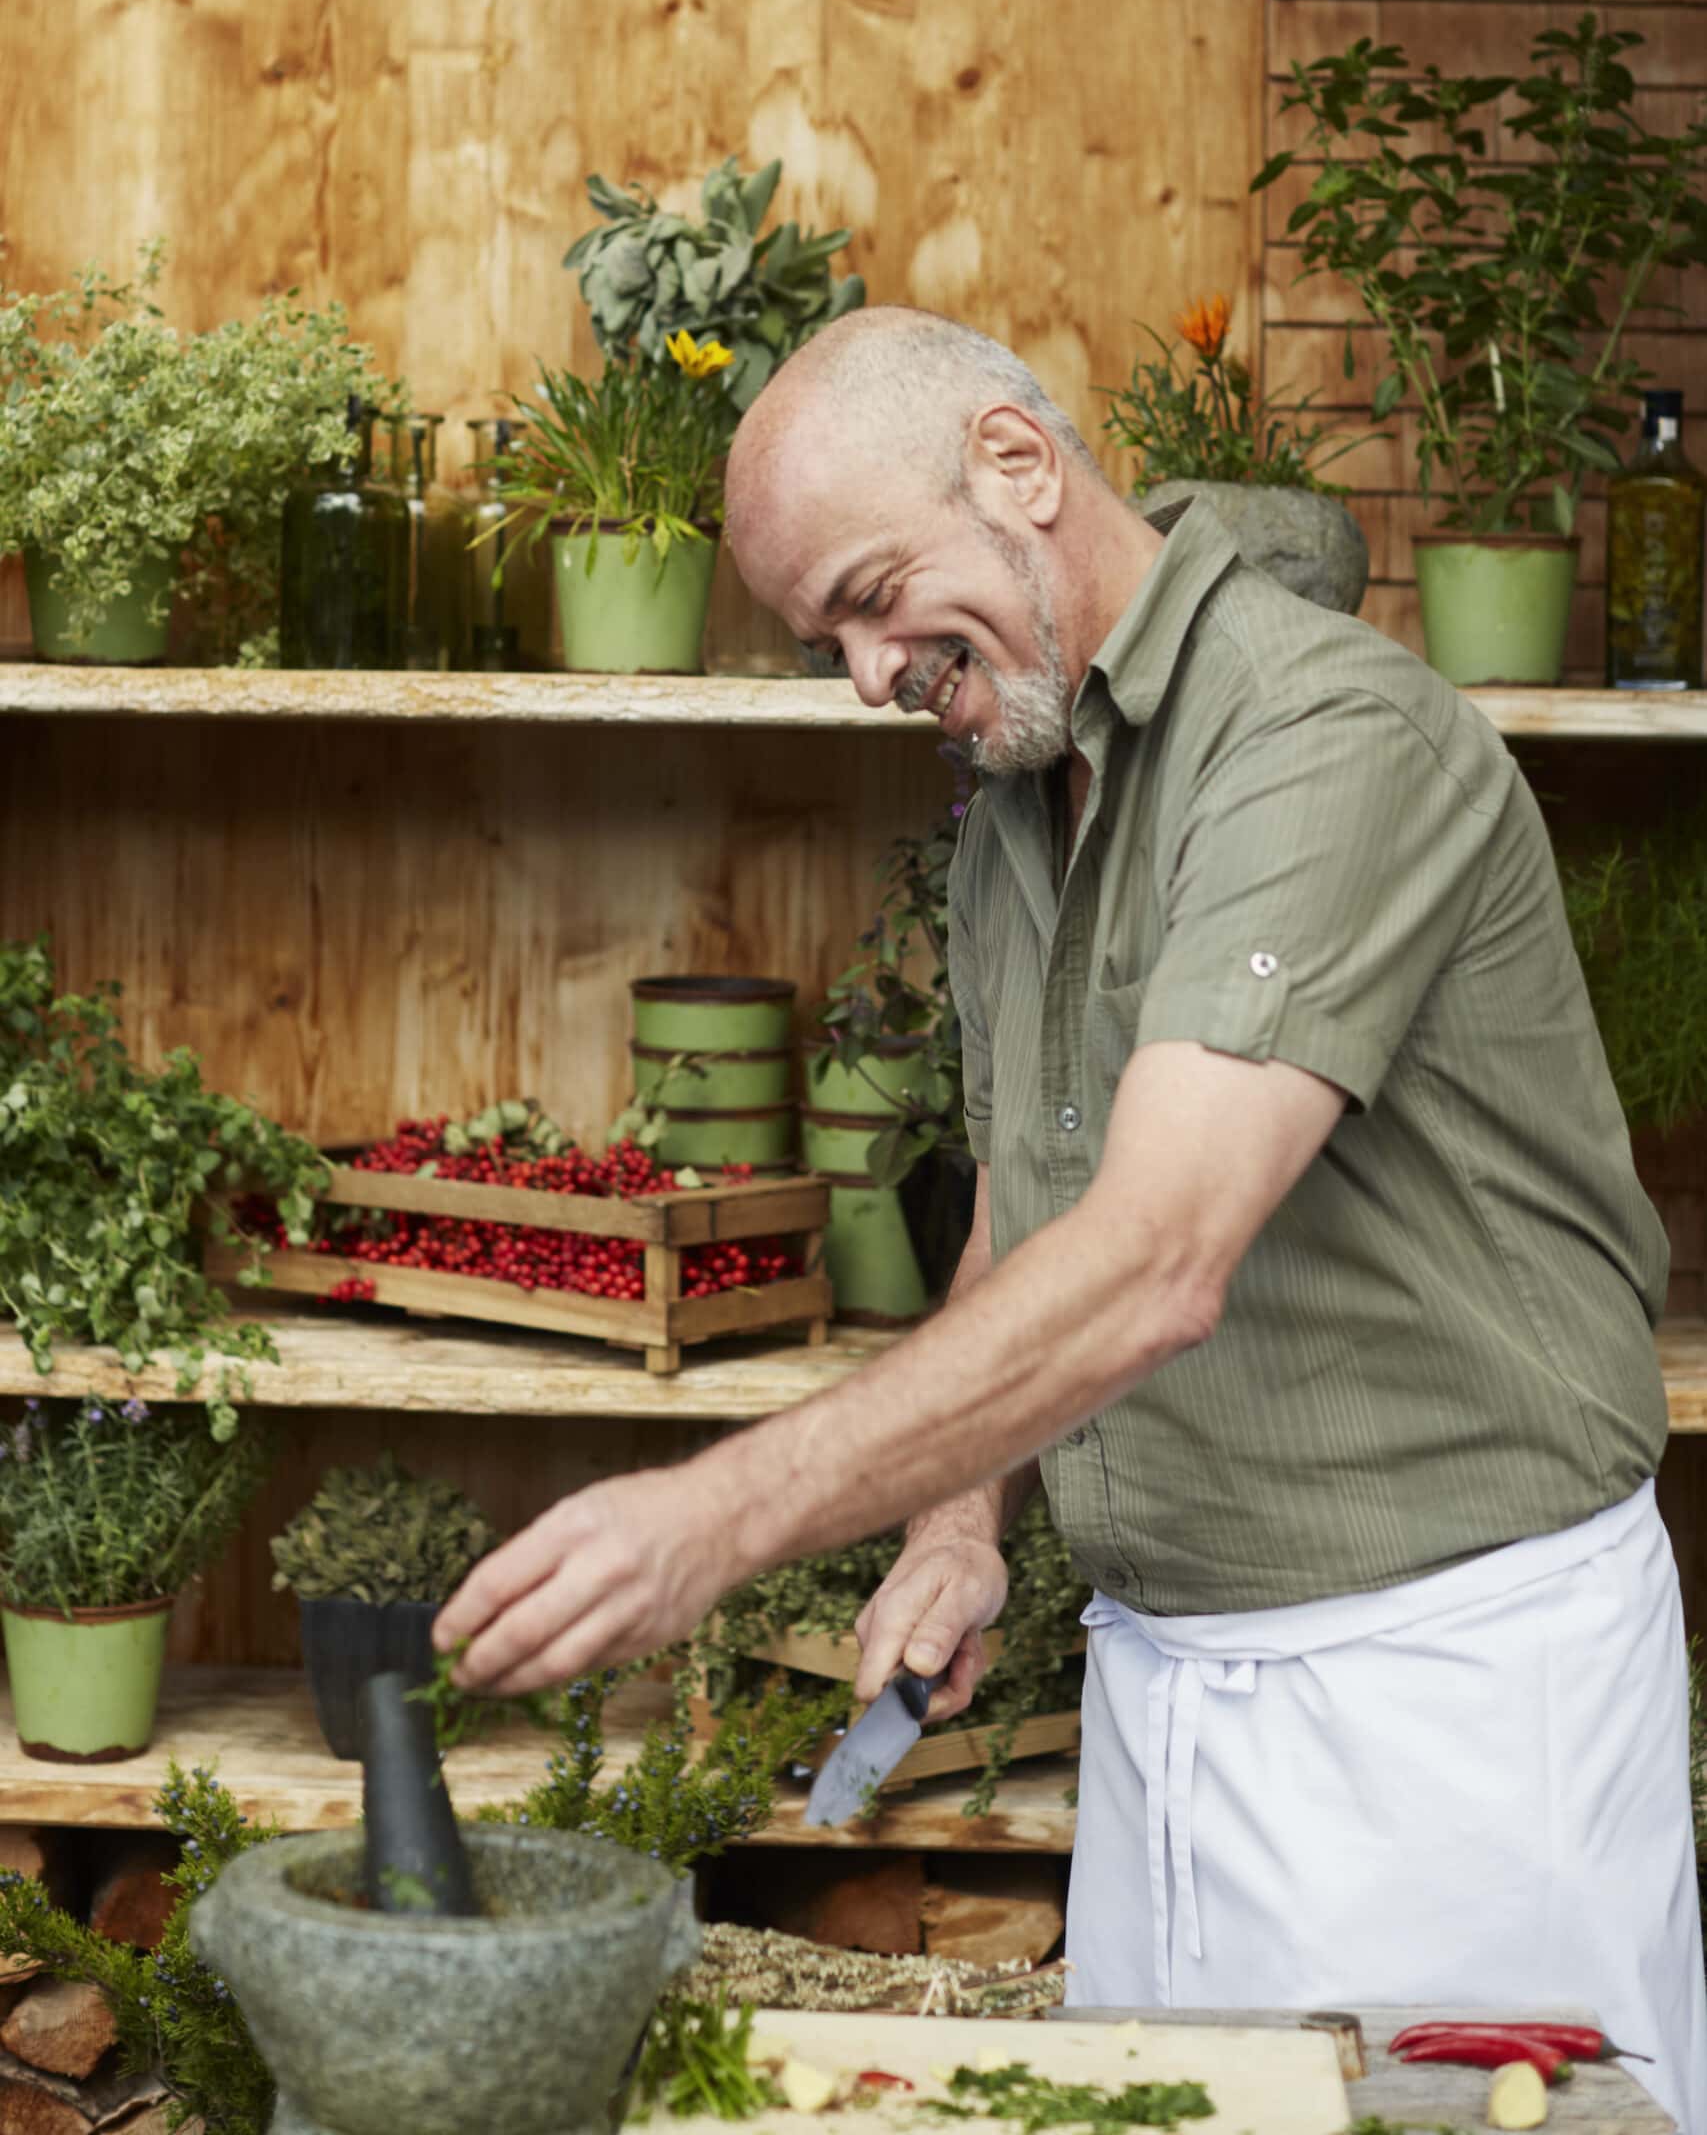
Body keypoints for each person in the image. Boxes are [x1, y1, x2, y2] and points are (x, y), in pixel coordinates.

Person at [437, 307, 1707, 2130]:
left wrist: (716, 1515)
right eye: (830, 644)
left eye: (879, 597)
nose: (872, 671)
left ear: (1020, 466)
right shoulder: (1016, 804)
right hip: (1165, 1693)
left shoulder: (1326, 737)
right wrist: (960, 1527)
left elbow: (1157, 1256)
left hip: (1446, 1713)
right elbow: (1040, 1200)